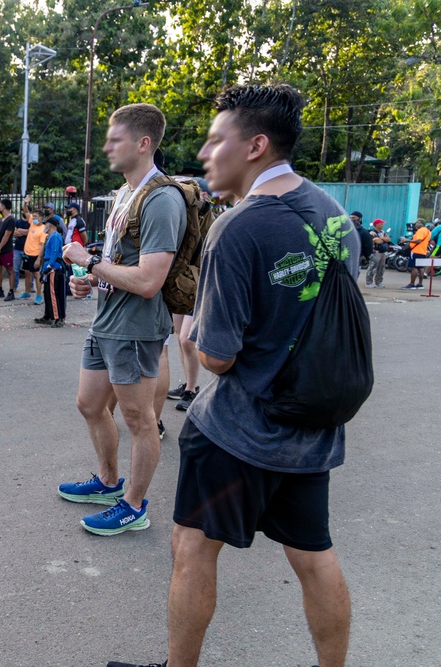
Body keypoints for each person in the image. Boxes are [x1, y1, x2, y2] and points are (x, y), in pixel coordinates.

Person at [107, 84, 358, 667]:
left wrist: (194, 330)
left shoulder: (240, 227)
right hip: (311, 429)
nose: (204, 152)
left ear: (256, 146)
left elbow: (215, 356)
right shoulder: (336, 216)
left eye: (217, 139)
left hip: (240, 431)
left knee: (192, 547)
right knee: (314, 555)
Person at [58, 102, 187, 537]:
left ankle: (133, 506)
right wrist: (88, 279)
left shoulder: (162, 199)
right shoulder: (123, 194)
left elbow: (150, 281)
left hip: (134, 329)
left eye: (116, 139)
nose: (107, 148)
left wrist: (88, 263)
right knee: (90, 404)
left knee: (139, 419)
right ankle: (108, 483)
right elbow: (115, 263)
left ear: (144, 143)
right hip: (106, 321)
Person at [36, 209, 66, 327]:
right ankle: (48, 315)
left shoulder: (54, 237)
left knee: (53, 293)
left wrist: (49, 267)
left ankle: (57, 317)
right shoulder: (52, 236)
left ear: (51, 225)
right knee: (48, 293)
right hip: (50, 267)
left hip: (53, 268)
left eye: (46, 224)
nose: (45, 226)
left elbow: (54, 252)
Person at [21, 203, 47, 303]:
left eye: (36, 217)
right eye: (34, 216)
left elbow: (42, 245)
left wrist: (38, 259)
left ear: (41, 218)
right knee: (27, 273)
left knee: (36, 275)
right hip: (27, 253)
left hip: (35, 254)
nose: (34, 218)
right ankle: (27, 292)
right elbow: (26, 212)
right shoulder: (32, 223)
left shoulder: (43, 229)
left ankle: (39, 295)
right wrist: (26, 202)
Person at [0, 198, 16, 300]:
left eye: (0, 204)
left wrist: (0, 247)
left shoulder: (11, 219)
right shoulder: (0, 220)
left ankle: (11, 291)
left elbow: (7, 235)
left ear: (5, 206)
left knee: (10, 270)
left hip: (6, 249)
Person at [404, 220, 430, 289]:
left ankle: (412, 284)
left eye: (416, 224)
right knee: (420, 267)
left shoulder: (421, 230)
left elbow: (418, 240)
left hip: (416, 251)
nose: (415, 225)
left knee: (414, 267)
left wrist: (406, 240)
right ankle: (420, 284)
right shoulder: (427, 231)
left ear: (420, 224)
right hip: (423, 251)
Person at [366, 217, 390, 287]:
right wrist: (383, 239)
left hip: (382, 253)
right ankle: (369, 282)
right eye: (381, 224)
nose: (383, 225)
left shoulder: (383, 232)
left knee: (381, 268)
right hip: (375, 252)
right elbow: (377, 241)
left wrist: (382, 238)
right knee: (372, 267)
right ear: (376, 224)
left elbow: (388, 239)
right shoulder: (372, 233)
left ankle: (378, 282)